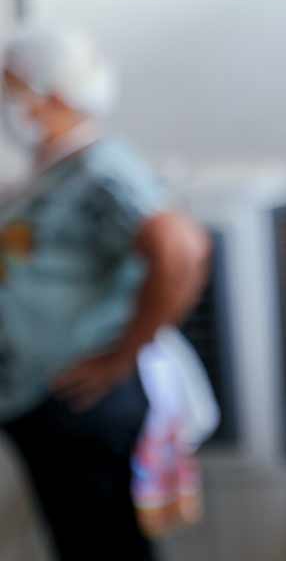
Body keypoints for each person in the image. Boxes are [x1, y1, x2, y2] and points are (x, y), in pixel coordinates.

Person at [0, 27, 210, 560]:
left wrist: (124, 353)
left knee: (106, 545)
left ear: (51, 96)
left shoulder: (100, 167)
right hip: (40, 397)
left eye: (11, 87)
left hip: (86, 397)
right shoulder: (49, 172)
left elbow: (180, 246)